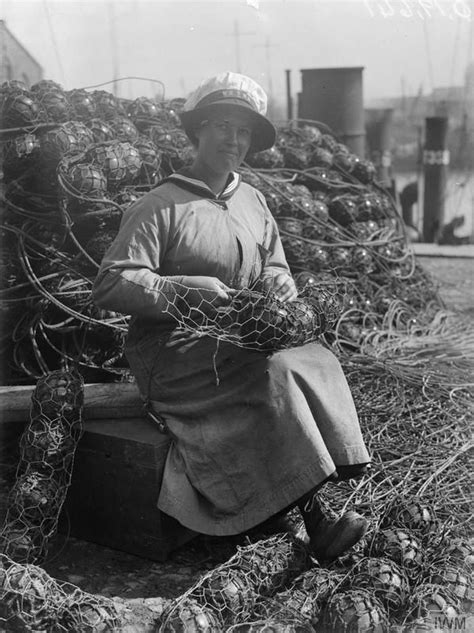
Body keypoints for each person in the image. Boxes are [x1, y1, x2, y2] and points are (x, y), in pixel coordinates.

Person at [92, 72, 371, 563]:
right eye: (223, 125)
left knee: (311, 356)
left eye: (244, 132)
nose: (234, 140)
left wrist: (280, 282)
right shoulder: (161, 205)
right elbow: (111, 283)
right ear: (198, 130)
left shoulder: (252, 200)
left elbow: (275, 264)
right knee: (268, 371)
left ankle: (304, 487)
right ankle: (312, 513)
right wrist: (183, 290)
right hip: (171, 348)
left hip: (237, 332)